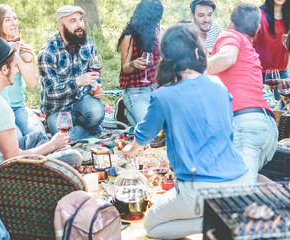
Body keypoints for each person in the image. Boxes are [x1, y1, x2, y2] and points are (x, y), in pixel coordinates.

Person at [123, 23, 253, 239]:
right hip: (241, 182)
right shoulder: (218, 83)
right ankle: (224, 217)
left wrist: (131, 149)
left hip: (200, 190)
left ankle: (214, 221)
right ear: (196, 52)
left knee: (151, 225)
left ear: (166, 58)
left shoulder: (164, 96)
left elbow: (143, 135)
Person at [0, 35, 82, 190]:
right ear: (4, 70)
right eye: (15, 65)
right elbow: (13, 158)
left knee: (38, 137)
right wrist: (53, 145)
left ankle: (55, 150)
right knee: (73, 157)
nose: (17, 70)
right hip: (1, 181)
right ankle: (60, 151)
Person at [207, 2, 278, 183]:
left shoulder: (230, 34)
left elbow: (227, 57)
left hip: (245, 126)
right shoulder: (249, 51)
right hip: (266, 127)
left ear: (231, 24)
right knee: (247, 182)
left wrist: (190, 69)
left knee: (238, 192)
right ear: (257, 29)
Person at [38, 5, 105, 141]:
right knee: (61, 134)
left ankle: (78, 128)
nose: (80, 25)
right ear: (61, 26)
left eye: (80, 20)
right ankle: (91, 129)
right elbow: (52, 92)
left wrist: (94, 88)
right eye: (73, 21)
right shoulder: (48, 51)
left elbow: (93, 72)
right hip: (57, 108)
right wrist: (78, 82)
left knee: (97, 113)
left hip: (81, 99)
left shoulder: (88, 43)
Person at [0, 4, 46, 143]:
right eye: (7, 20)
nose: (14, 23)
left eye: (15, 18)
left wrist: (17, 58)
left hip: (19, 108)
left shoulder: (24, 50)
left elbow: (33, 83)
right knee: (15, 141)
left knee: (39, 136)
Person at [116, 0, 163, 127]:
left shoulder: (158, 33)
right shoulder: (129, 37)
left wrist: (161, 40)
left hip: (155, 87)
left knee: (165, 127)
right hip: (136, 90)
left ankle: (128, 113)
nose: (161, 18)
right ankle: (125, 110)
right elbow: (125, 68)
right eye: (158, 16)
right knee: (150, 130)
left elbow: (165, 60)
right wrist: (133, 64)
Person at [254, 0, 290, 80]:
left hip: (281, 71)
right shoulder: (258, 14)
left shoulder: (288, 16)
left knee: (283, 92)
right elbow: (247, 41)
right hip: (258, 71)